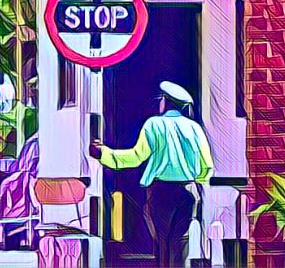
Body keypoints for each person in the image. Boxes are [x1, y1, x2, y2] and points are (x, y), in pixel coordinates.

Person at [89, 81, 214, 268]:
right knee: (180, 244)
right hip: (187, 190)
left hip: (160, 191)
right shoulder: (195, 129)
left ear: (164, 102)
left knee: (162, 243)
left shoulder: (153, 125)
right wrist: (196, 184)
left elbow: (135, 157)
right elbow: (207, 166)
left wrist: (104, 154)